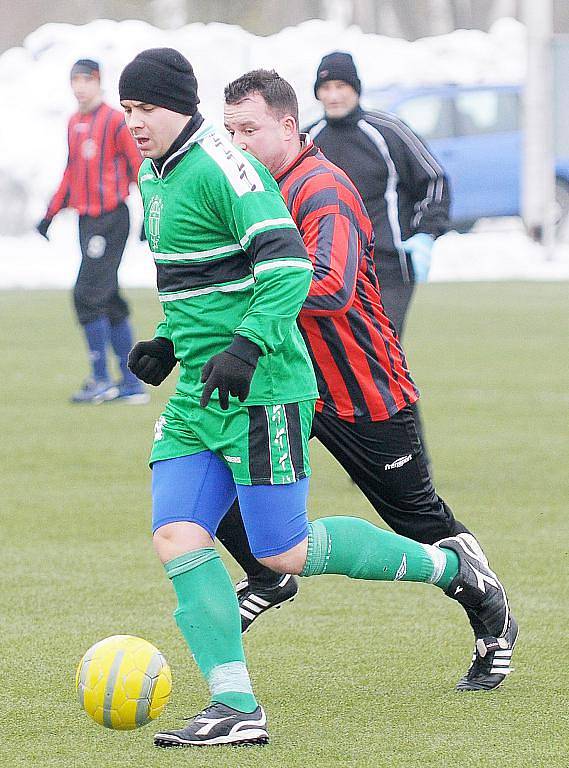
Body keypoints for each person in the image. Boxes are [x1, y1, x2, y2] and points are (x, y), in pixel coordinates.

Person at [120, 48, 514, 749]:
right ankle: (235, 704)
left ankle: (455, 569)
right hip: (206, 395)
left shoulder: (235, 173)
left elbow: (296, 271)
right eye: (126, 111)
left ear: (180, 105)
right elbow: (208, 283)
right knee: (177, 534)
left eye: (143, 108)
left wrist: (246, 345)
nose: (134, 123)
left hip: (287, 386)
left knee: (290, 550)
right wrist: (170, 343)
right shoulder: (156, 177)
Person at [219, 69, 517, 693]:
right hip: (288, 383)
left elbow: (328, 284)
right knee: (207, 472)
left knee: (420, 523)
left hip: (362, 387)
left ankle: (489, 613)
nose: (238, 142)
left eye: (249, 129)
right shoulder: (251, 192)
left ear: (286, 125)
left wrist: (246, 293)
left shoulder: (321, 188)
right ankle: (269, 573)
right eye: (230, 131)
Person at [307, 51, 450, 463]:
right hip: (331, 274)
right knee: (335, 366)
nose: (333, 96)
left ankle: (409, 458)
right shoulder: (308, 139)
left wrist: (423, 235)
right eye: (326, 88)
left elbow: (434, 180)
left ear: (356, 89)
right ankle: (368, 457)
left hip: (389, 267)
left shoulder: (386, 131)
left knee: (382, 360)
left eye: (341, 87)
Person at [36, 58, 148, 404]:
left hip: (111, 217)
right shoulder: (74, 122)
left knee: (86, 294)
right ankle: (131, 384)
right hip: (86, 221)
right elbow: (71, 172)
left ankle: (100, 379)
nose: (80, 86)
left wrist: (150, 214)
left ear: (98, 82)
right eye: (75, 80)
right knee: (108, 299)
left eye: (86, 79)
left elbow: (138, 169)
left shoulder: (116, 121)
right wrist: (50, 214)